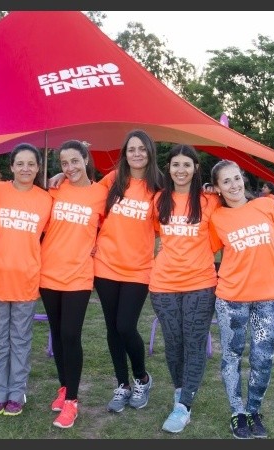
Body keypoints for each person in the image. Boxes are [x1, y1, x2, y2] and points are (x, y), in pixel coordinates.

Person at [49, 129, 163, 413]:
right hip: (105, 265)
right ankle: (122, 385)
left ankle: (142, 378)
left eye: (142, 149)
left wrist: (209, 189)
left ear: (150, 152)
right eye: (131, 149)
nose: (136, 154)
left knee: (126, 325)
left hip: (138, 269)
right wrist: (62, 176)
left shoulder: (160, 186)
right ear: (125, 154)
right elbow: (84, 192)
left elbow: (180, 206)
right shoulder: (112, 181)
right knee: (113, 329)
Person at [208, 159, 274, 439]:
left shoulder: (266, 205)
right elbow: (207, 253)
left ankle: (253, 410)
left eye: (236, 178)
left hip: (269, 298)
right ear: (218, 189)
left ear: (243, 179)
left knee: (263, 358)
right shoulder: (216, 218)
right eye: (226, 181)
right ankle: (237, 413)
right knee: (232, 356)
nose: (233, 185)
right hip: (231, 298)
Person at [149, 144, 221, 433]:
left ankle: (184, 406)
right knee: (174, 343)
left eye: (186, 165)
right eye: (176, 165)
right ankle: (180, 392)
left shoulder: (209, 202)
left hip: (200, 284)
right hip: (163, 284)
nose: (181, 170)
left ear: (195, 169)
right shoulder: (158, 200)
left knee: (194, 343)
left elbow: (225, 227)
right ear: (169, 168)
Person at [39, 140, 107, 429]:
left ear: (86, 158)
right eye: (64, 163)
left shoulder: (101, 193)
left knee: (70, 334)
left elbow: (110, 227)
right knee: (57, 333)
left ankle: (72, 402)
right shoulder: (54, 188)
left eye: (75, 161)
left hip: (79, 275)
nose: (70, 168)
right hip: (48, 272)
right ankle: (64, 386)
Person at [0, 143, 53, 417]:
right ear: (11, 166)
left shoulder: (46, 199)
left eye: (31, 164)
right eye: (20, 163)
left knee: (20, 340)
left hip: (26, 280)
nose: (26, 168)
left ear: (38, 167)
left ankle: (16, 392)